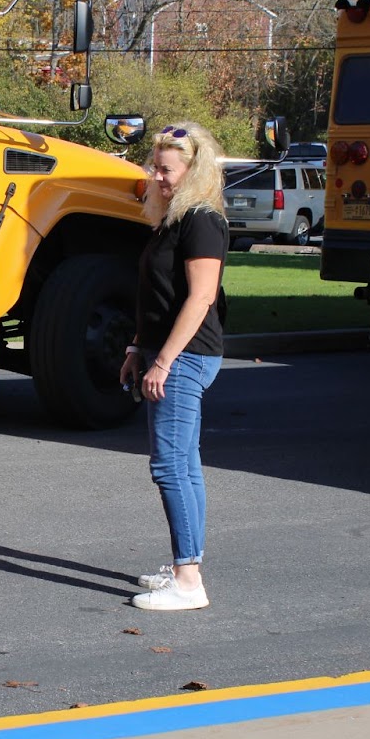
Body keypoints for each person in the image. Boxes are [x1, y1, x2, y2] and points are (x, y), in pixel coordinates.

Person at [117, 121, 230, 611]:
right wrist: (136, 348)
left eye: (166, 169)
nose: (157, 177)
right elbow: (160, 297)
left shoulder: (202, 220)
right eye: (155, 168)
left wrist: (162, 361)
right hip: (169, 353)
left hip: (185, 358)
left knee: (168, 466)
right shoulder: (174, 219)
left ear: (193, 168)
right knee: (185, 464)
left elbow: (202, 297)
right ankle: (188, 563)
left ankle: (189, 581)